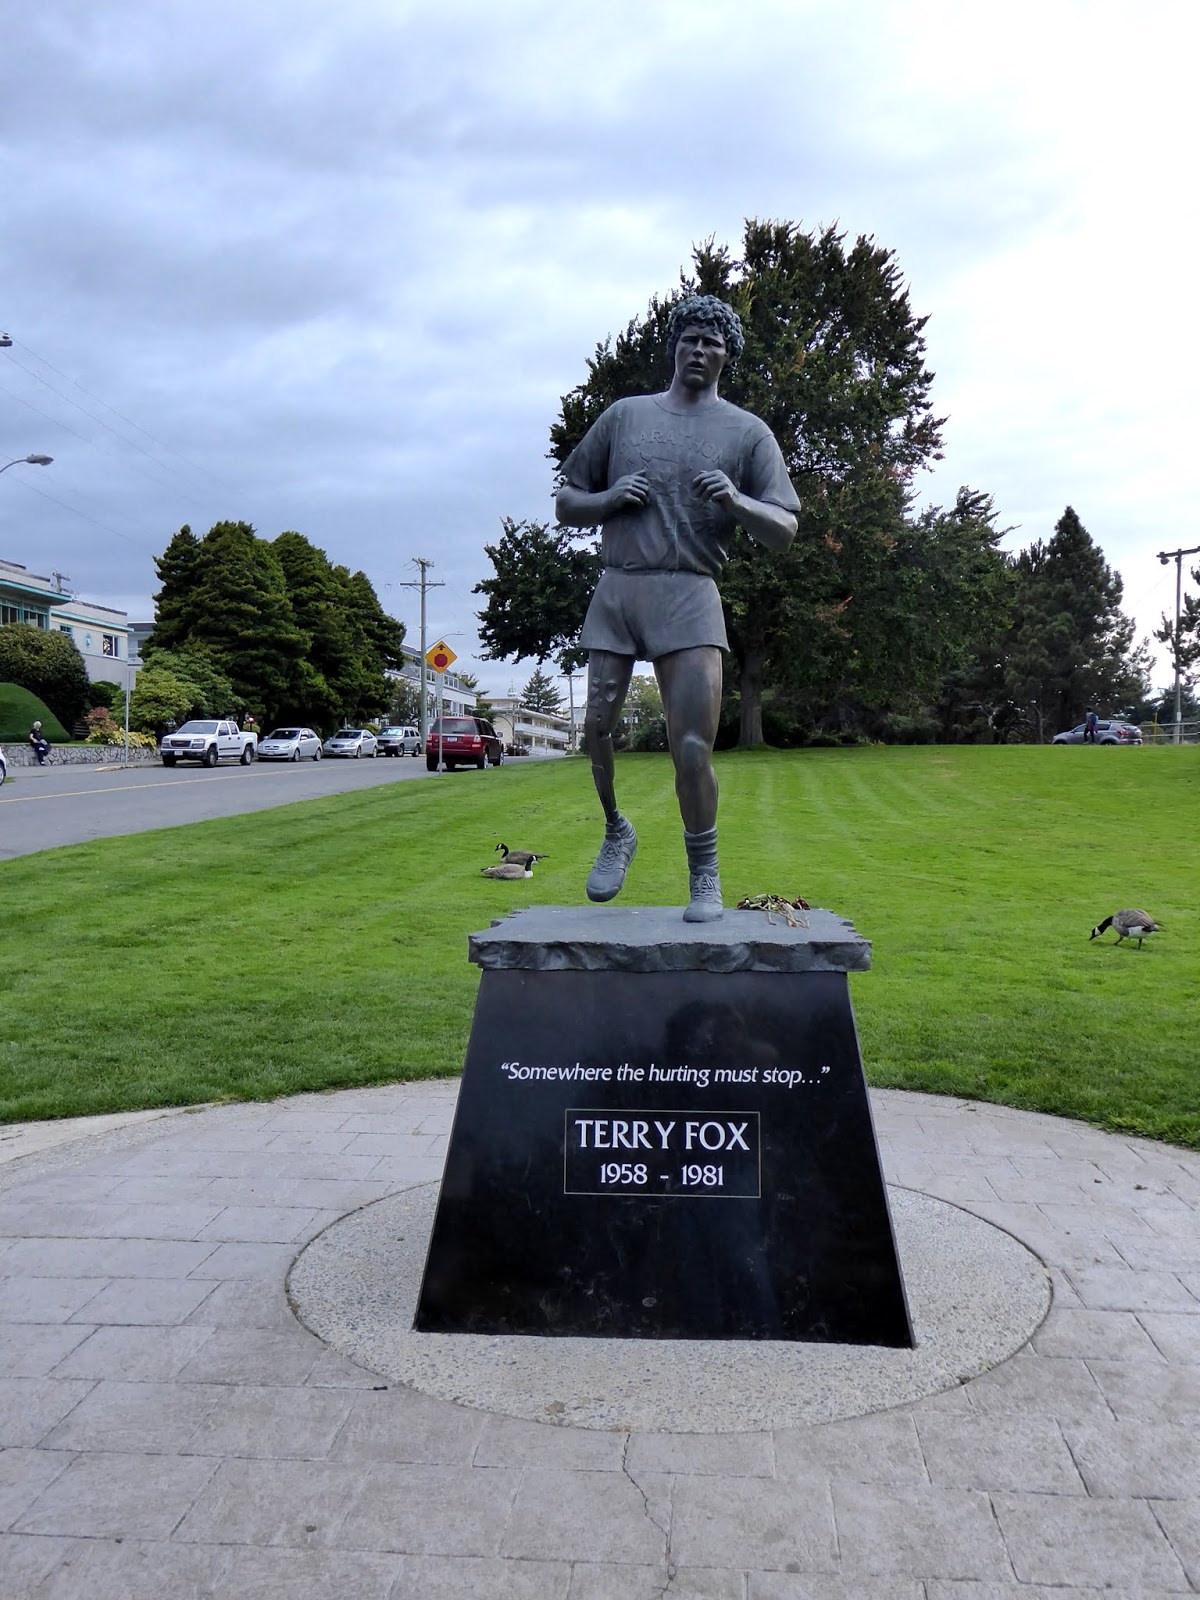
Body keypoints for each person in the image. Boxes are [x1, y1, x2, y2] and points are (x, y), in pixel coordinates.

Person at [556, 294, 801, 921]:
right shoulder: (624, 417)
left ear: (728, 357)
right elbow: (568, 500)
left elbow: (784, 528)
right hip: (620, 588)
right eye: (690, 338)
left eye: (712, 343)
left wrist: (739, 503)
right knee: (595, 729)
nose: (699, 350)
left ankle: (705, 873)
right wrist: (610, 496)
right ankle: (617, 828)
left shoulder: (747, 433)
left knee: (692, 745)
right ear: (673, 345)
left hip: (691, 593)